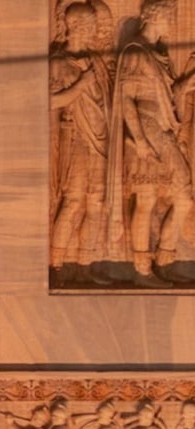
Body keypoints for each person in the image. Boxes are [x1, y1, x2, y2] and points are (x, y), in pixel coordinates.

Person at [110, 0, 195, 284]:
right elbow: (127, 99)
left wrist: (183, 87)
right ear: (156, 18)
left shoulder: (159, 55)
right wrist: (140, 140)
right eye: (169, 19)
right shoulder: (137, 51)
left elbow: (169, 99)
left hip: (162, 129)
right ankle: (142, 269)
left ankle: (165, 257)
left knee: (183, 194)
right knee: (145, 198)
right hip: (145, 131)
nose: (171, 25)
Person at [51, 2, 112, 281]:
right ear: (73, 27)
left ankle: (86, 263)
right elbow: (51, 101)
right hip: (76, 137)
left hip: (100, 138)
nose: (93, 32)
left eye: (94, 27)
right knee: (74, 201)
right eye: (88, 27)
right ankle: (57, 264)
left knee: (96, 202)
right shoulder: (59, 62)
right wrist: (81, 85)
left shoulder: (95, 61)